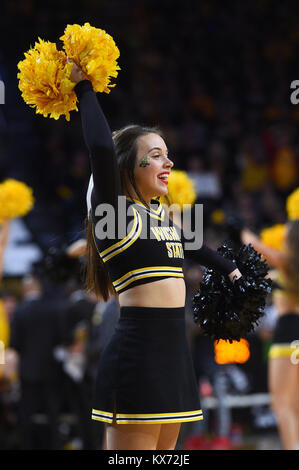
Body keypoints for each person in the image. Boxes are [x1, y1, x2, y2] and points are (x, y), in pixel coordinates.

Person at [69, 61, 242, 451]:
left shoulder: (157, 216)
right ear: (130, 165)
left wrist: (231, 270)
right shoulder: (112, 214)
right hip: (137, 355)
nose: (169, 164)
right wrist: (85, 88)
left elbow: (192, 244)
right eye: (157, 155)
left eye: (169, 155)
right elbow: (99, 147)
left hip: (174, 354)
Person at [242, 222, 299, 450]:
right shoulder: (287, 268)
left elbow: (253, 244)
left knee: (280, 405)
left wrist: (238, 228)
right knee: (294, 404)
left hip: (287, 337)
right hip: (296, 339)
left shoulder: (289, 263)